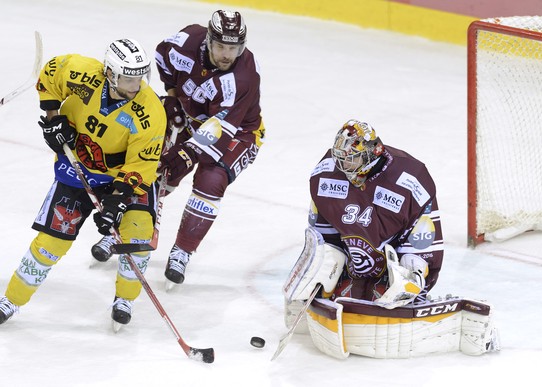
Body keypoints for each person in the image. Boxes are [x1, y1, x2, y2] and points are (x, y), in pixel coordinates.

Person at [280, 120, 501, 360]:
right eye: (340, 158)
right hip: (353, 263)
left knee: (399, 289)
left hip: (393, 259)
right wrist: (320, 270)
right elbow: (322, 237)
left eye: (351, 159)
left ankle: (403, 292)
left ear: (372, 153)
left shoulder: (410, 179)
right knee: (326, 269)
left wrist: (412, 272)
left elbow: (422, 240)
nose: (343, 165)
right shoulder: (325, 175)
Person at [92, 10, 265, 289]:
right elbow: (162, 57)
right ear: (209, 40)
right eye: (221, 46)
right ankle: (125, 231)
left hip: (237, 131)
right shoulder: (185, 41)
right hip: (188, 115)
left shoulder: (243, 77)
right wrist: (172, 98)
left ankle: (182, 251)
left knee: (211, 180)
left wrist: (189, 152)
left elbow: (219, 126)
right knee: (152, 164)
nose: (226, 54)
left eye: (233, 48)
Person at [0, 39, 166, 330]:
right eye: (128, 77)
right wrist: (54, 119)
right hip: (77, 170)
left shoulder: (151, 112)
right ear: (111, 73)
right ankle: (11, 300)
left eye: (140, 76)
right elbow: (50, 73)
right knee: (52, 241)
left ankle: (124, 299)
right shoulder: (82, 72)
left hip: (122, 177)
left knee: (137, 237)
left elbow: (142, 164)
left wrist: (117, 200)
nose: (135, 84)